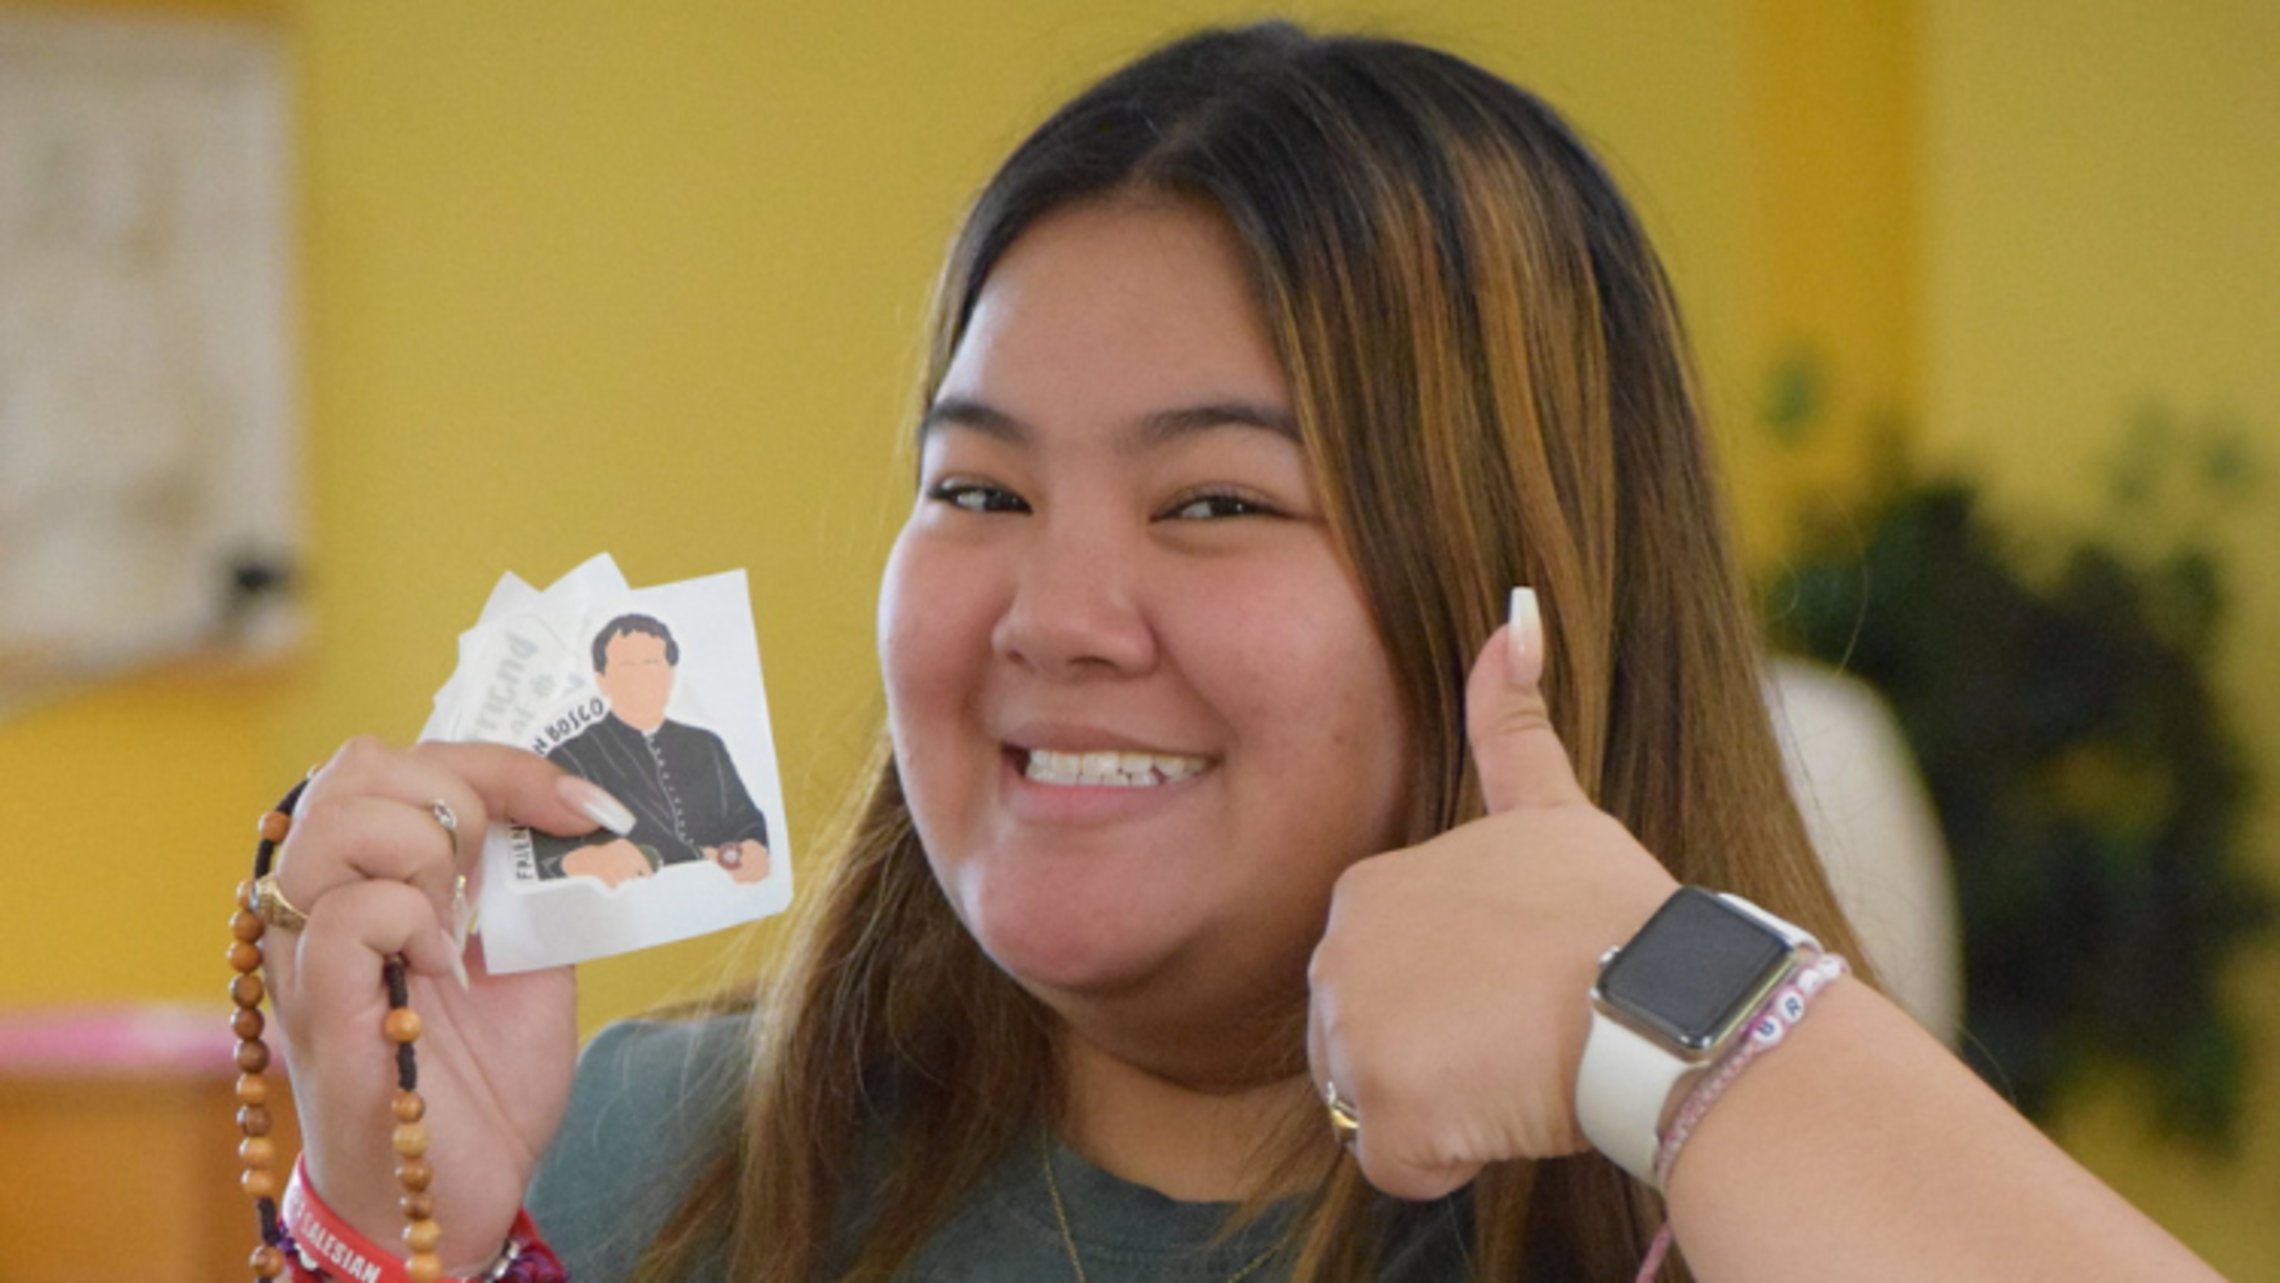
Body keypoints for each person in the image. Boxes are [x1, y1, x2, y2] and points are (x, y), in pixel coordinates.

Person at [257, 22, 2223, 1282]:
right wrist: (382, 1213)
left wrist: (1685, 1024)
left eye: (1213, 502)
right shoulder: (639, 1165)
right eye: (979, 491)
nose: (1051, 612)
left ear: (1515, 597)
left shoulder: (1747, 1213)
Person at [530, 614, 772, 888]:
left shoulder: (706, 744)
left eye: (652, 664)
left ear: (670, 674)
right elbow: (543, 856)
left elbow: (745, 818)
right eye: (627, 667)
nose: (641, 678)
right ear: (602, 680)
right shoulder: (571, 756)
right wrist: (581, 860)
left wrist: (753, 847)